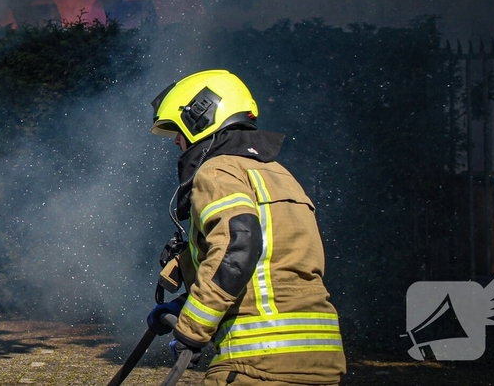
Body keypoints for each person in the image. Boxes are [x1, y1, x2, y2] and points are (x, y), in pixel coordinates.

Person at [146, 70, 345, 386]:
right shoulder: (279, 175)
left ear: (200, 119)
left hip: (259, 363)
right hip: (322, 358)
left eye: (179, 132)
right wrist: (183, 306)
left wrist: (192, 330)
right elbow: (269, 271)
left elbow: (237, 248)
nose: (177, 142)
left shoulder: (217, 171)